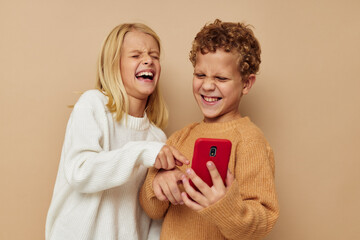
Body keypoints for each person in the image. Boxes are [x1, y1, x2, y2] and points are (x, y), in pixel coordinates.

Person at [45, 23, 189, 240]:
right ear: (114, 65)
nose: (148, 60)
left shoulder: (157, 139)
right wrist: (142, 152)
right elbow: (81, 172)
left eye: (154, 55)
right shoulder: (93, 105)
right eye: (136, 55)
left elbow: (154, 216)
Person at [139, 19, 279, 240]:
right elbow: (152, 210)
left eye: (221, 78)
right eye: (200, 75)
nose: (206, 85)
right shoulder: (180, 138)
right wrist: (156, 183)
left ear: (246, 84)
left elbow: (262, 222)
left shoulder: (250, 140)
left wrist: (225, 206)